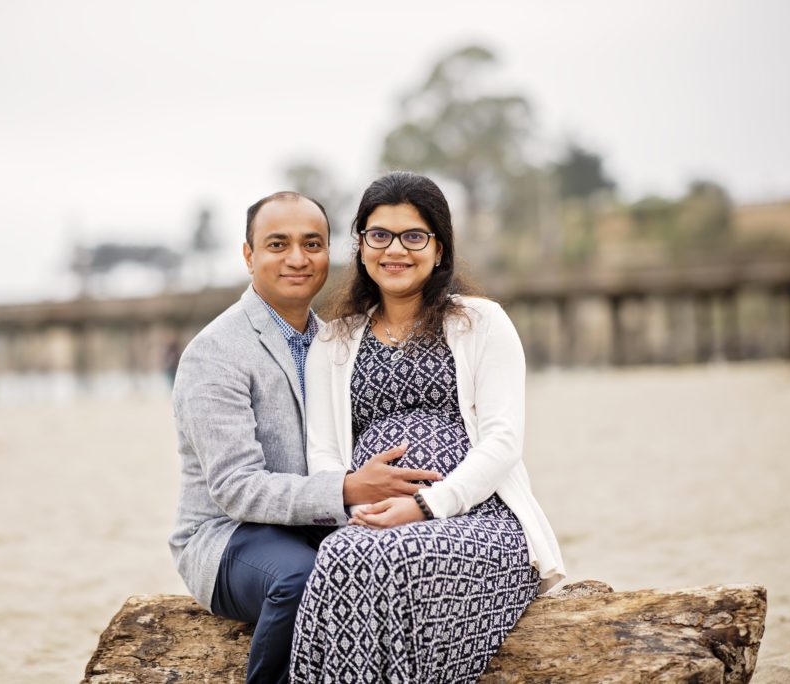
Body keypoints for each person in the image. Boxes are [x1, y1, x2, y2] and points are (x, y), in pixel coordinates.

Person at [290, 172, 566, 683]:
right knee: (341, 557)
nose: (395, 250)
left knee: (401, 557)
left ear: (439, 249)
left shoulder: (482, 322)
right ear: (362, 246)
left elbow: (503, 440)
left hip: (479, 519)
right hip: (368, 519)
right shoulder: (334, 342)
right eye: (379, 235)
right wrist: (359, 505)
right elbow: (325, 450)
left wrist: (424, 506)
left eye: (413, 236)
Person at [169, 190, 442, 684]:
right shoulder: (215, 352)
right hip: (228, 537)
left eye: (312, 244)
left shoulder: (338, 341)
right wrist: (347, 489)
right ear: (249, 255)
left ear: (331, 253)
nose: (297, 259)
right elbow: (235, 488)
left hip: (319, 525)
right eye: (278, 245)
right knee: (301, 579)